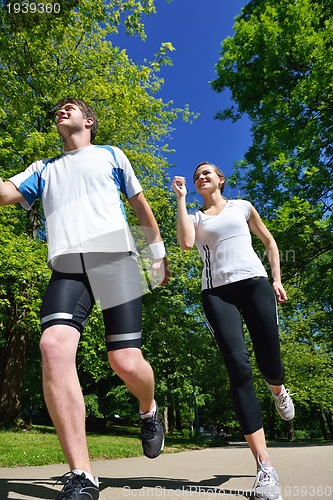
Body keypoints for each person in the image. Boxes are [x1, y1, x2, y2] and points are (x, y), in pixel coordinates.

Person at [0, 97, 170, 500]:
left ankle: (148, 409)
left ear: (89, 121)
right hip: (67, 264)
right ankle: (81, 475)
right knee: (52, 346)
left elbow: (142, 209)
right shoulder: (43, 169)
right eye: (59, 109)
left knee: (124, 362)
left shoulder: (112, 155)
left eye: (71, 107)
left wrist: (157, 256)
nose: (62, 111)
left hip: (115, 256)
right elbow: (6, 192)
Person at [172, 162, 294, 500]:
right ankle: (264, 467)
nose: (201, 177)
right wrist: (181, 200)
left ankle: (279, 390)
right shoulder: (195, 216)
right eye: (197, 176)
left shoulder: (243, 207)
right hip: (217, 293)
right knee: (238, 367)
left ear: (221, 179)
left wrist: (277, 279)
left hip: (254, 283)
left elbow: (269, 242)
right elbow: (184, 243)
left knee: (269, 359)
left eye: (207, 172)